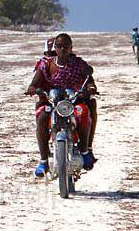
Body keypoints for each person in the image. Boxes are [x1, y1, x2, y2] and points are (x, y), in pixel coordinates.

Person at [26, 33, 98, 177]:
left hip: (73, 102)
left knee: (83, 112)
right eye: (59, 47)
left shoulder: (78, 64)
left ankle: (84, 150)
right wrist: (33, 89)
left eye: (66, 46)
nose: (63, 49)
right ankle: (44, 160)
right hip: (51, 102)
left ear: (71, 48)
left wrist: (90, 88)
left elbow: (89, 81)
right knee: (42, 117)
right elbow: (34, 84)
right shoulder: (45, 65)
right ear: (55, 49)